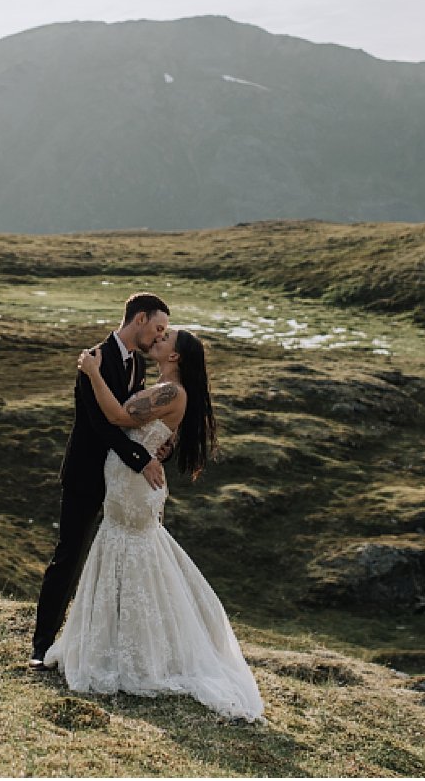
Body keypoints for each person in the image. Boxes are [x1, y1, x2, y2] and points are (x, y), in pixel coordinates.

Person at [44, 327, 264, 722]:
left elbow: (117, 415)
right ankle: (120, 643)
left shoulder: (171, 392)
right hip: (127, 482)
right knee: (126, 554)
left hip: (133, 487)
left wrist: (92, 372)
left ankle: (137, 654)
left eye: (165, 339)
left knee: (130, 554)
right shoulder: (163, 387)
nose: (157, 340)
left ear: (175, 356)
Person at [30, 292, 170, 669]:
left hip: (120, 481)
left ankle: (111, 646)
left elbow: (131, 422)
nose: (159, 338)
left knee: (119, 560)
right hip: (87, 475)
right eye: (158, 329)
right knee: (69, 557)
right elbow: (100, 426)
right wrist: (141, 461)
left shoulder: (137, 365)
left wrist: (155, 448)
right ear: (139, 319)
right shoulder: (93, 359)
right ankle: (42, 645)